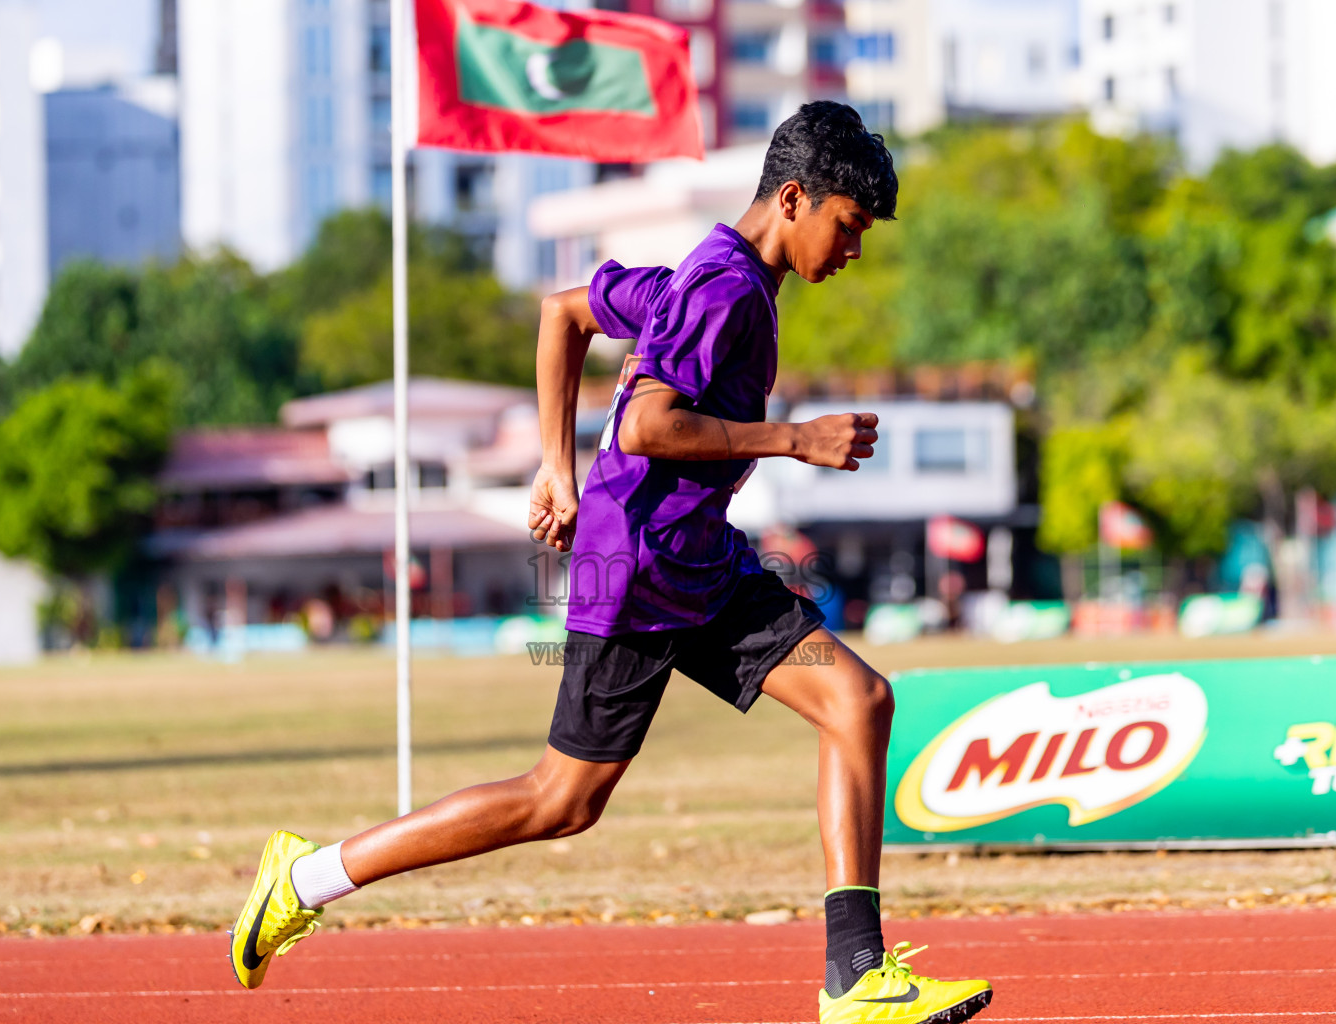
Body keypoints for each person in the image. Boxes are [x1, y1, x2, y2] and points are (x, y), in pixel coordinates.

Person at [229, 101, 993, 1024]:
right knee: (561, 799)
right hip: (637, 571)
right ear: (794, 198)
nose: (854, 249)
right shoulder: (726, 294)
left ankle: (856, 978)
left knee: (858, 701)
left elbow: (563, 315)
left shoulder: (700, 274)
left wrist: (558, 468)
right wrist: (793, 438)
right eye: (849, 226)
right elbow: (645, 423)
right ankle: (303, 879)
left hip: (699, 563)